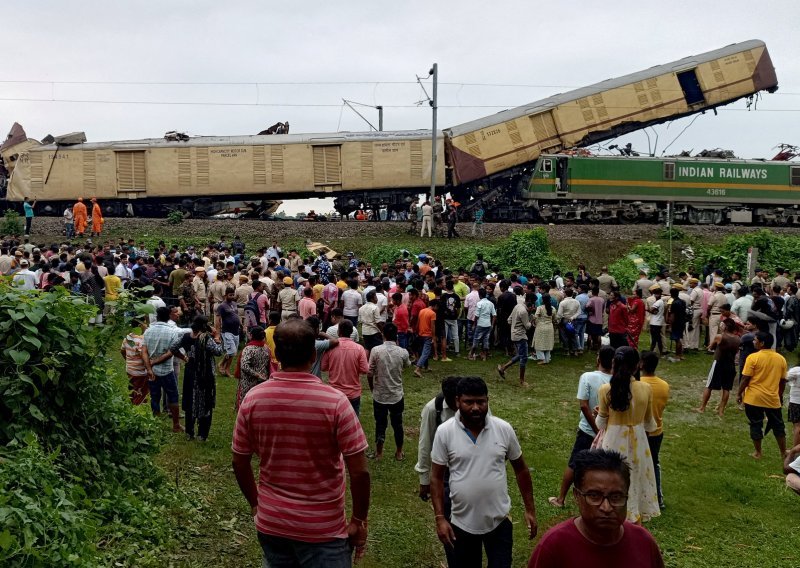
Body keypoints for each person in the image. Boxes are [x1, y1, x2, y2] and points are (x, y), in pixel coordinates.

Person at [232, 319, 370, 566]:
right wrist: (358, 520)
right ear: (313, 355)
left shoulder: (253, 399)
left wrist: (256, 504)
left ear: (278, 354)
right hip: (323, 529)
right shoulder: (336, 402)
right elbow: (359, 471)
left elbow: (240, 460)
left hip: (272, 523)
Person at [431, 377, 537, 568]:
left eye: (481, 401)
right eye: (468, 402)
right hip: (461, 524)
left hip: (499, 522)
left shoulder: (503, 429)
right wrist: (440, 518)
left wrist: (530, 509)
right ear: (457, 401)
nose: (475, 407)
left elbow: (520, 469)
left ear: (488, 400)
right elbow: (437, 478)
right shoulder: (444, 432)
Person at [528, 450, 665, 568]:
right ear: (577, 496)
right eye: (594, 496)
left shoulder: (643, 543)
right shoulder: (553, 548)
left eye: (616, 497)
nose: (606, 507)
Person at [596, 347, 660, 524]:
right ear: (636, 366)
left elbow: (600, 423)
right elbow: (649, 424)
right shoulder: (646, 388)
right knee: (636, 477)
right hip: (638, 439)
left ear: (614, 364)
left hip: (614, 439)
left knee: (612, 477)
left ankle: (611, 515)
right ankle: (635, 519)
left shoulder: (605, 389)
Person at [548, 346, 615, 509]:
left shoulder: (587, 377)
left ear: (598, 359)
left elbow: (584, 405)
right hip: (609, 431)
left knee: (575, 462)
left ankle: (561, 499)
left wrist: (595, 427)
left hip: (588, 429)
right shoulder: (616, 381)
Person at [171, 315, 223, 441]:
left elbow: (173, 348)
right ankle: (202, 434)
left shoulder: (186, 336)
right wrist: (217, 338)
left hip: (190, 372)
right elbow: (218, 351)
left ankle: (189, 432)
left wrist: (184, 357)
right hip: (204, 375)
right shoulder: (206, 339)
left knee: (190, 401)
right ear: (205, 326)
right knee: (205, 402)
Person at [737, 331, 788, 461]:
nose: (753, 342)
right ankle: (783, 453)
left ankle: (758, 452)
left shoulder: (753, 357)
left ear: (762, 343)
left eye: (755, 340)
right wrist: (779, 395)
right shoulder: (780, 359)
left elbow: (745, 378)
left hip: (754, 398)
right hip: (772, 398)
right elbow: (782, 381)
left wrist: (739, 393)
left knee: (755, 424)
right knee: (778, 426)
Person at [367, 323, 411, 461]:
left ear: (383, 335)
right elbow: (407, 365)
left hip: (380, 393)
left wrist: (372, 388)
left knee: (380, 423)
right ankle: (399, 452)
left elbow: (369, 373)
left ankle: (379, 453)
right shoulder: (403, 352)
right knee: (397, 424)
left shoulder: (375, 351)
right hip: (396, 394)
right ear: (396, 335)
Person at [142, 306, 184, 433]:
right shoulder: (172, 332)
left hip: (152, 371)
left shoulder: (148, 331)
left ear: (157, 317)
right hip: (166, 371)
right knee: (173, 396)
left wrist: (149, 368)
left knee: (155, 397)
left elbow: (143, 351)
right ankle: (176, 425)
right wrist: (184, 357)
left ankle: (155, 424)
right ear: (168, 317)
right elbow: (172, 352)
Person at [639, 351, 670, 510]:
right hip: (657, 431)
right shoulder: (664, 385)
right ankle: (658, 497)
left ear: (641, 364)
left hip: (640, 431)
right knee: (654, 463)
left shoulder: (638, 384)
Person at [322, 319, 369, 416]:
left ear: (338, 332)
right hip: (353, 393)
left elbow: (323, 367)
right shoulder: (359, 349)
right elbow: (365, 370)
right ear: (351, 332)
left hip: (335, 392)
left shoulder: (331, 348)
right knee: (353, 424)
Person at [698, 318, 741, 416]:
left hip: (718, 363)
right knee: (726, 389)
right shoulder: (738, 339)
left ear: (725, 326)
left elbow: (711, 347)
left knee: (709, 386)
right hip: (730, 364)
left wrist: (710, 346)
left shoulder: (720, 337)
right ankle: (721, 411)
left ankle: (702, 407)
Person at [498, 291, 534, 387]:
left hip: (514, 334)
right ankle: (522, 381)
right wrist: (531, 319)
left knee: (521, 355)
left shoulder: (517, 306)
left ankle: (503, 368)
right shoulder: (523, 311)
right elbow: (527, 326)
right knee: (524, 358)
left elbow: (509, 320)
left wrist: (516, 325)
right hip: (520, 335)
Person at [234, 326, 270, 410]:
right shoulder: (266, 348)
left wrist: (257, 375)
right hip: (263, 381)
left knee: (246, 405)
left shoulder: (249, 349)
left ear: (251, 335)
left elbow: (244, 366)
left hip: (248, 382)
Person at [120, 318, 153, 405]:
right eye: (145, 323)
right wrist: (149, 368)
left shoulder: (127, 337)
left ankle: (132, 405)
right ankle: (137, 410)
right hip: (140, 371)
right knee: (141, 393)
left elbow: (122, 350)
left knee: (133, 389)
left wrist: (128, 360)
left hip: (130, 369)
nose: (147, 325)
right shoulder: (143, 339)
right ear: (140, 326)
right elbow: (144, 355)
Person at [215, 286, 240, 378]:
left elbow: (236, 315)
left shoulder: (234, 303)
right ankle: (226, 369)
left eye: (233, 294)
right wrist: (217, 333)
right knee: (232, 351)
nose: (232, 296)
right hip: (227, 332)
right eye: (230, 295)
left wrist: (241, 325)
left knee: (232, 352)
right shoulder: (221, 306)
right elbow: (218, 320)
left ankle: (222, 364)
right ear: (225, 295)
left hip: (236, 331)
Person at [532, 287, 558, 364]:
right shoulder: (553, 308)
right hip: (549, 327)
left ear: (542, 300)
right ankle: (547, 358)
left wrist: (533, 322)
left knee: (539, 343)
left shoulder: (540, 308)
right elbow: (555, 319)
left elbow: (536, 317)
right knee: (548, 343)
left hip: (541, 327)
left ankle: (542, 358)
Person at [468, 289, 495, 361]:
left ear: (479, 295)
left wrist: (474, 324)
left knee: (476, 339)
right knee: (486, 340)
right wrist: (492, 324)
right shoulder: (490, 303)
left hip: (480, 324)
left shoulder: (479, 303)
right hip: (488, 324)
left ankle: (471, 355)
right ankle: (484, 356)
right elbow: (494, 315)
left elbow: (476, 315)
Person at [414, 299, 438, 377]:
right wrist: (433, 337)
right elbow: (433, 326)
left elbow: (418, 322)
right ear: (435, 306)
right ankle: (418, 369)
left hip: (421, 334)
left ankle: (426, 367)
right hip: (428, 335)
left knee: (423, 351)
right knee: (425, 353)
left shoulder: (422, 311)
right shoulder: (433, 313)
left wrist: (417, 331)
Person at [359, 290, 384, 357]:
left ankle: (366, 363)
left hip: (365, 332)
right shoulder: (375, 308)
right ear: (372, 299)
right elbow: (378, 322)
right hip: (374, 332)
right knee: (377, 349)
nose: (377, 299)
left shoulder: (361, 308)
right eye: (375, 297)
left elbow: (360, 322)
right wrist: (382, 332)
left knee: (367, 348)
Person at [667, 287, 687, 361]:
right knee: (679, 338)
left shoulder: (674, 303)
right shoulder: (683, 302)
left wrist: (670, 325)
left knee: (677, 339)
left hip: (676, 322)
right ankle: (681, 355)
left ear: (671, 294)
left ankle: (677, 355)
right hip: (682, 321)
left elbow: (672, 315)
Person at [647, 287, 665, 355]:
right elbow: (655, 311)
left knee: (656, 339)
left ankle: (655, 352)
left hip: (655, 323)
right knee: (657, 339)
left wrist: (648, 309)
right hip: (658, 322)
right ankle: (654, 351)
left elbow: (651, 310)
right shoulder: (661, 302)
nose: (656, 295)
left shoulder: (658, 302)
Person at [787, 367, 800, 447]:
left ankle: (795, 450)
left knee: (797, 426)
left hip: (796, 401)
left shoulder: (796, 370)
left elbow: (785, 377)